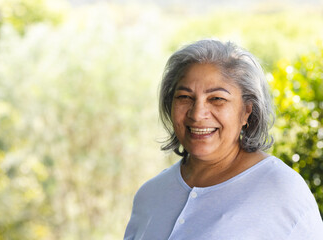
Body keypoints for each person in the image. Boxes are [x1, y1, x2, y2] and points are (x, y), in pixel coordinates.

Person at [124, 39, 323, 240]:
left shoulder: (281, 190)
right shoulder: (150, 194)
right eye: (185, 97)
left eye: (217, 99)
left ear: (246, 111)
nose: (197, 114)